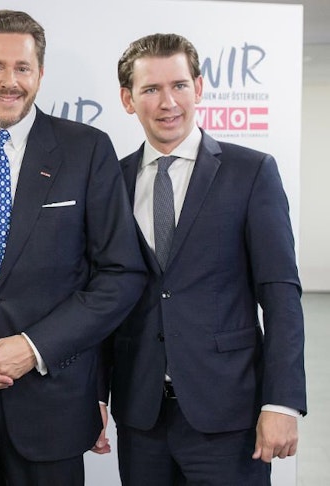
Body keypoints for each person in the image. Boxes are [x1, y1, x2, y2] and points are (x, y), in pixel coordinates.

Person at [0, 10, 146, 485]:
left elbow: (121, 274)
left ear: (40, 73)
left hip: (53, 406)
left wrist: (33, 346)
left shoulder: (87, 149)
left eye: (22, 68)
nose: (9, 82)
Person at [106, 32, 306, 485]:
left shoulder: (251, 171)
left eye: (178, 85)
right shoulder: (110, 182)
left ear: (198, 88)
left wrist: (282, 402)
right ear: (127, 98)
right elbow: (103, 297)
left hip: (230, 415)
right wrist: (95, 396)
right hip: (142, 417)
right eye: (150, 89)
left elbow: (280, 295)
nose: (167, 102)